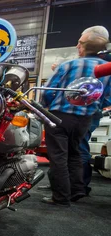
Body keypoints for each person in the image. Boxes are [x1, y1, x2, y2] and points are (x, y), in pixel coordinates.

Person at [40, 28, 111, 206]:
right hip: (84, 119)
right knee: (75, 152)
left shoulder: (68, 65)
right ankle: (78, 189)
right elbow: (107, 97)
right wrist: (94, 107)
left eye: (79, 42)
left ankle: (61, 197)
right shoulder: (105, 71)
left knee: (58, 156)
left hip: (60, 116)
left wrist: (45, 107)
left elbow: (49, 91)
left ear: (82, 47)